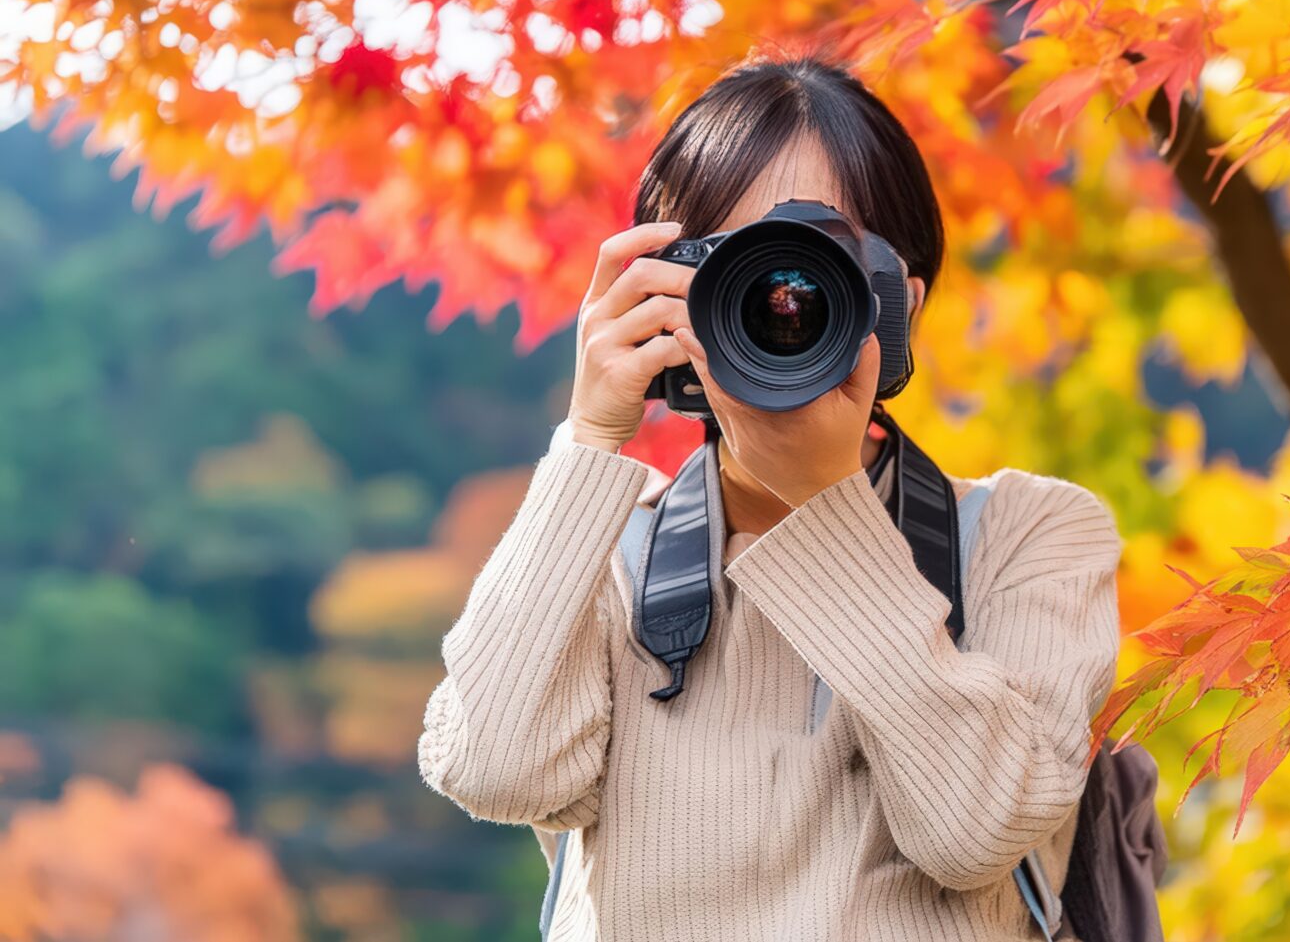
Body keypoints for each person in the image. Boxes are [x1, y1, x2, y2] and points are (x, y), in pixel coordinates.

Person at [417, 58, 1123, 941]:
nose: (780, 300)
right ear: (664, 286)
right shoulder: (608, 541)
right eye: (736, 267)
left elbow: (973, 831)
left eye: (816, 266)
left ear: (901, 302)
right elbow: (494, 770)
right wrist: (592, 436)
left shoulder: (1028, 534)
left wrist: (825, 500)